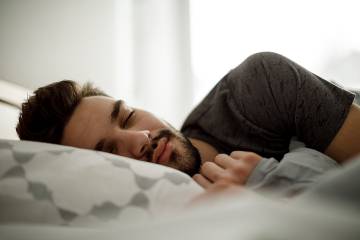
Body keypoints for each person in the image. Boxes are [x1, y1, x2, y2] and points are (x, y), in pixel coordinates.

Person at [16, 52, 360, 194]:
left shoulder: (257, 86)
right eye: (109, 152)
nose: (140, 137)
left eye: (128, 116)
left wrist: (275, 183)